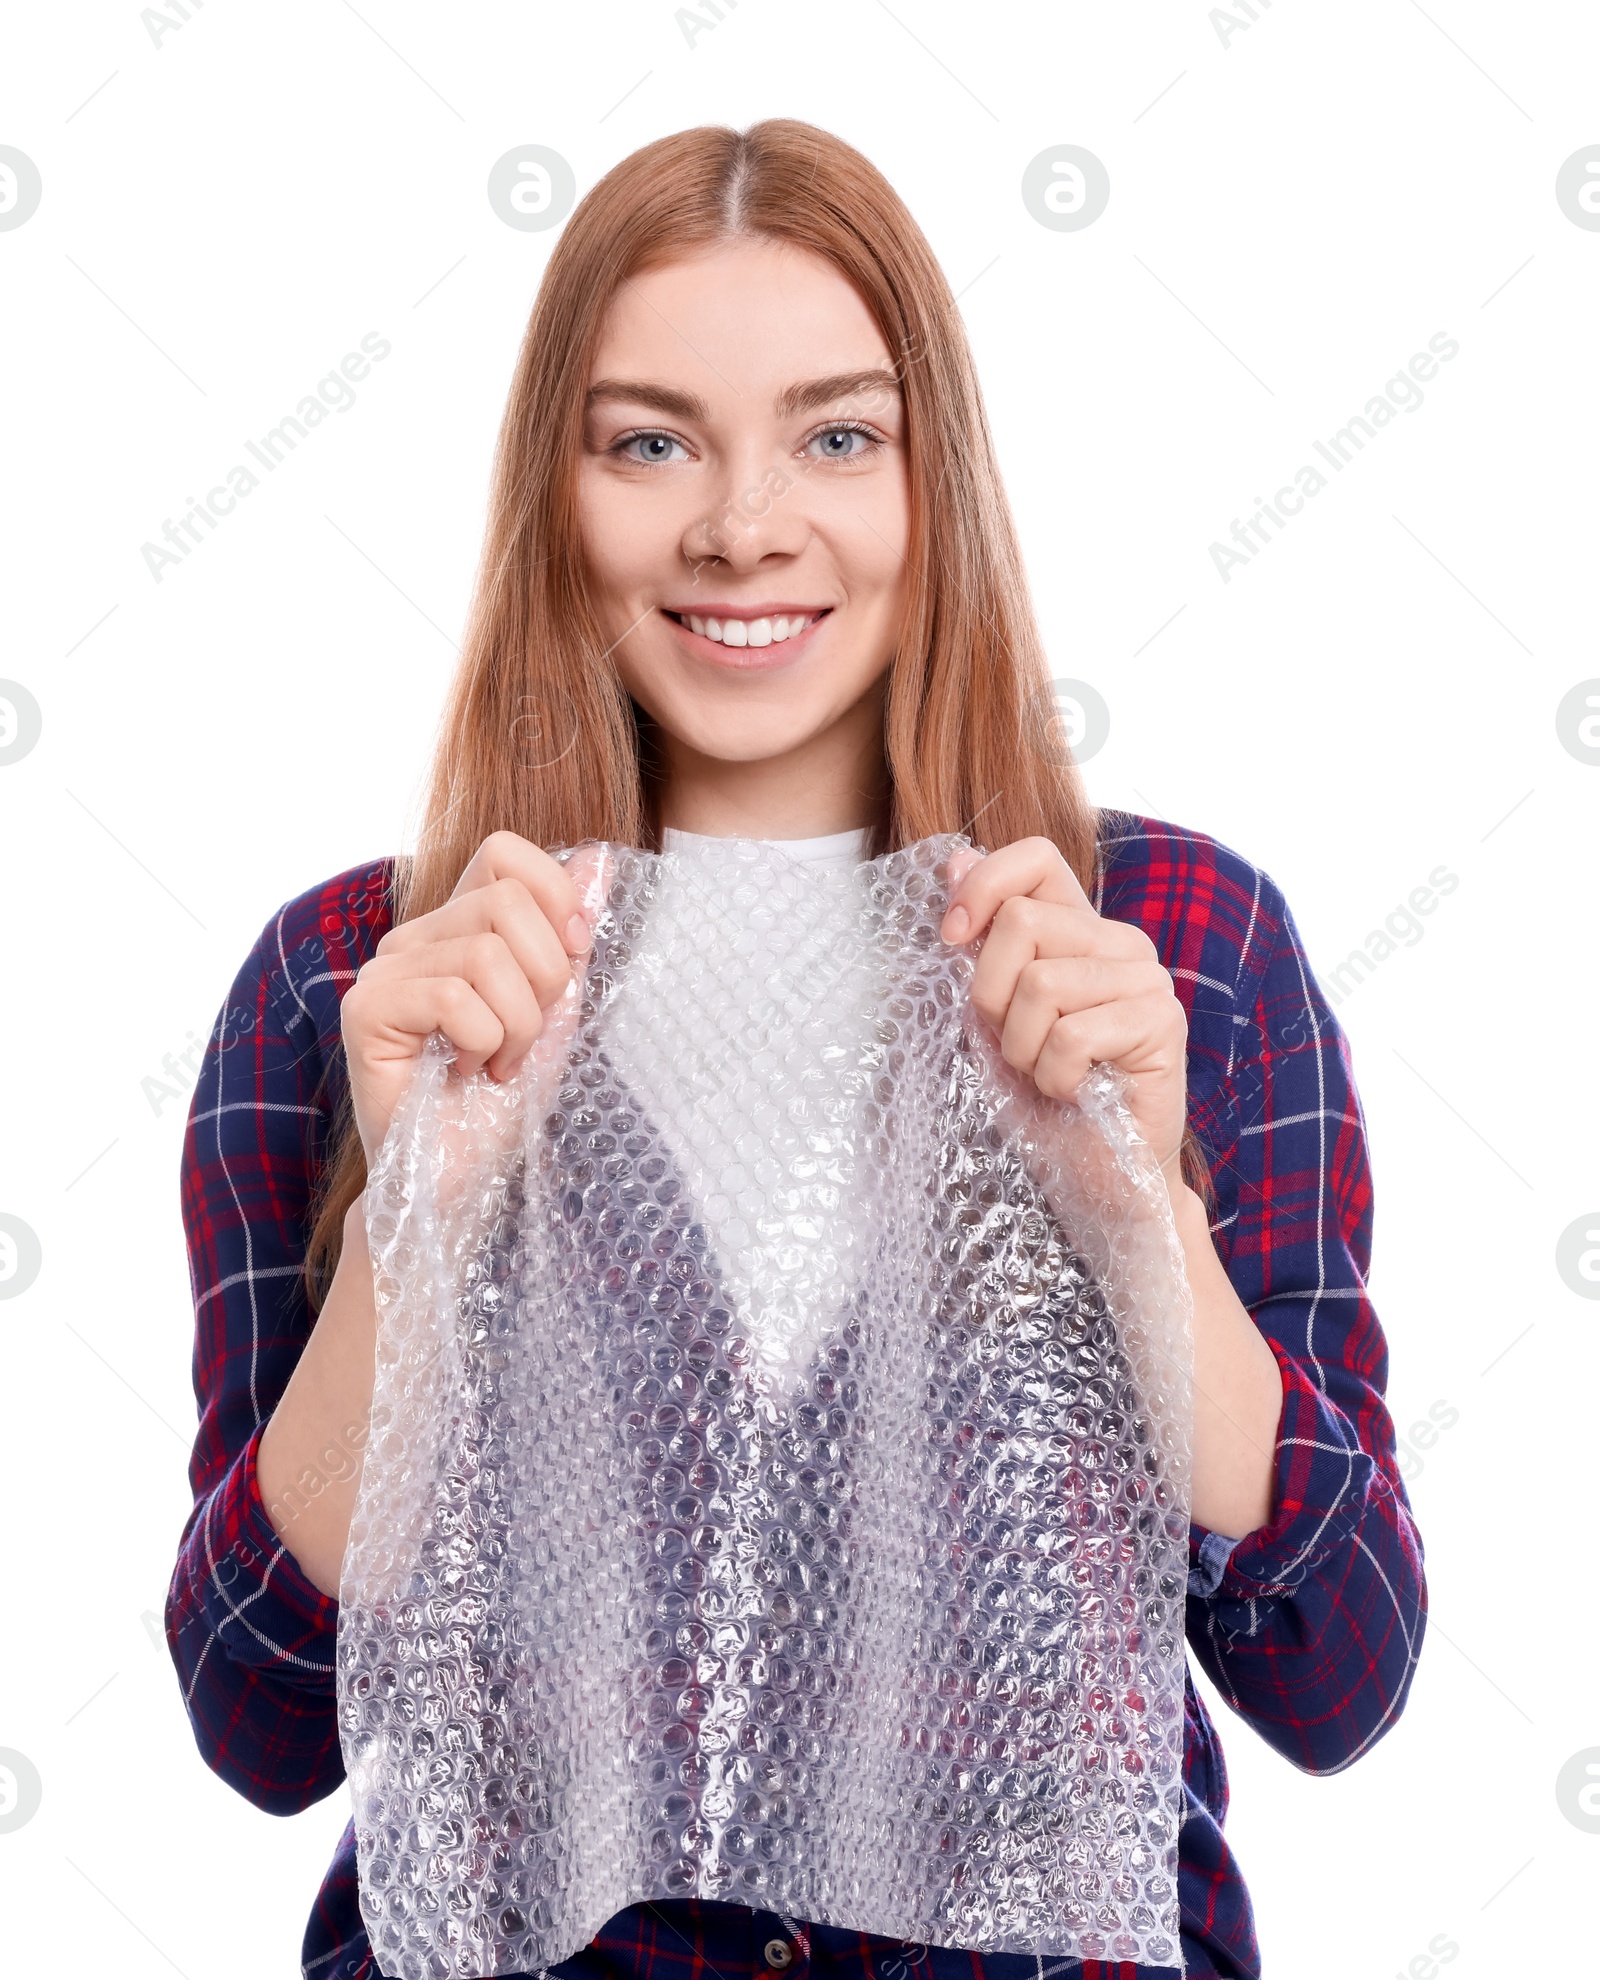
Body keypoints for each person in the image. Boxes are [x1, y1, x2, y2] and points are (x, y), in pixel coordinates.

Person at [165, 119, 1426, 1980]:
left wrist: (1134, 1215)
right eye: (649, 439)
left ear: (937, 484)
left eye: (838, 436)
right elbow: (261, 1724)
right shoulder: (361, 980)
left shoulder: (1167, 950)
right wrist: (412, 1242)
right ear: (558, 491)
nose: (743, 523)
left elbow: (1343, 1671)